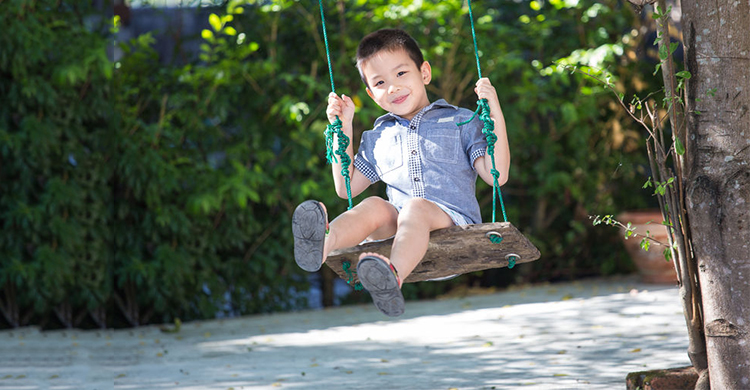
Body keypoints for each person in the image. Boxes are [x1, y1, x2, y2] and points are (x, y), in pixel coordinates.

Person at [292, 28, 510, 317]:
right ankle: (323, 244)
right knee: (373, 205)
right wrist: (342, 127)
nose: (392, 87)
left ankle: (391, 277)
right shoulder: (378, 136)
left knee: (415, 208)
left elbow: (496, 175)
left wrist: (494, 112)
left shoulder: (459, 121)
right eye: (380, 82)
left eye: (401, 74)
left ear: (425, 73)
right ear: (370, 93)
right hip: (400, 231)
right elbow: (346, 187)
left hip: (453, 225)